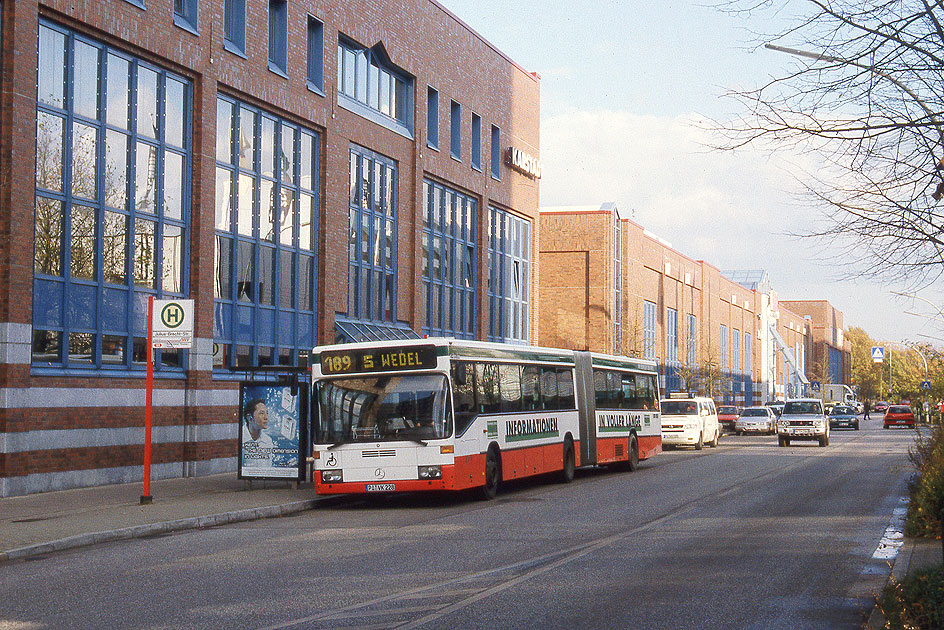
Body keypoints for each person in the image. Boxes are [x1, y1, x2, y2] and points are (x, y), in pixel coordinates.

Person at [242, 397, 274, 467]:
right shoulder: (240, 439)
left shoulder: (268, 441)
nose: (266, 417)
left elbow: (269, 468)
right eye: (261, 413)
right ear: (249, 418)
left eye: (267, 413)